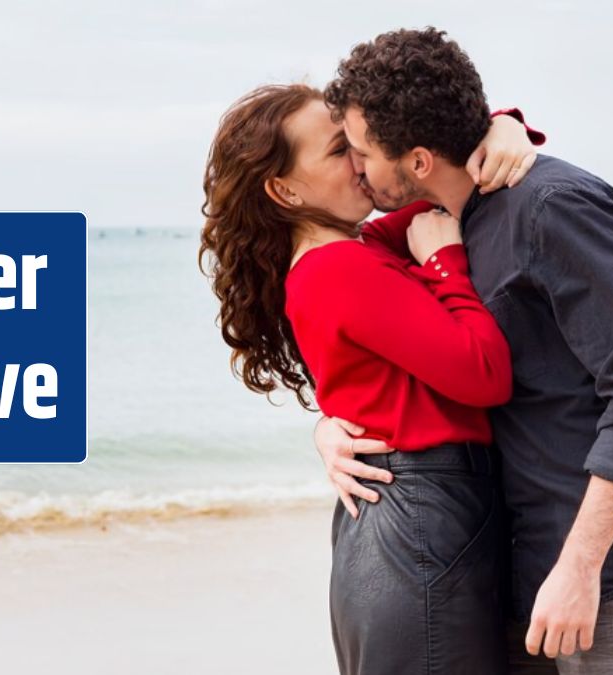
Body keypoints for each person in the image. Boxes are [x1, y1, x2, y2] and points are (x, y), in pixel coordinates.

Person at [318, 28, 613, 674]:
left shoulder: (553, 206)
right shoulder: (448, 231)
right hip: (525, 579)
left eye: (361, 150)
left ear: (416, 160)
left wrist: (581, 565)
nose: (355, 166)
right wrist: (329, 426)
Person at [198, 84, 543, 673]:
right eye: (339, 151)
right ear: (283, 190)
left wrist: (501, 124)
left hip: (419, 524)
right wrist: (444, 264)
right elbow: (484, 376)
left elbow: (444, 181)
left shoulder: (359, 248)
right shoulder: (337, 267)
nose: (362, 159)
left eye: (357, 141)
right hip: (421, 526)